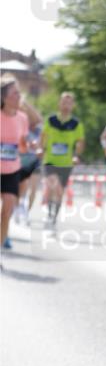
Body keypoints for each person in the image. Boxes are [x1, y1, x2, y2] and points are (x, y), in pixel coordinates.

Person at [40, 92, 85, 228]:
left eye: (69, 103)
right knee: (53, 186)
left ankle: (53, 217)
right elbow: (43, 136)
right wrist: (41, 149)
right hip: (50, 160)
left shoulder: (76, 124)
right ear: (59, 103)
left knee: (59, 192)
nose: (66, 105)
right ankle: (49, 215)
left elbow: (80, 142)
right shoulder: (51, 120)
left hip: (66, 163)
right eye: (64, 102)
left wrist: (76, 155)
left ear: (73, 106)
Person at [1, 76, 29, 251]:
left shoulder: (22, 118)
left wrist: (30, 146)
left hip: (12, 169)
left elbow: (22, 145)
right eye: (15, 93)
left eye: (19, 93)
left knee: (7, 211)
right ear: (4, 97)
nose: (19, 96)